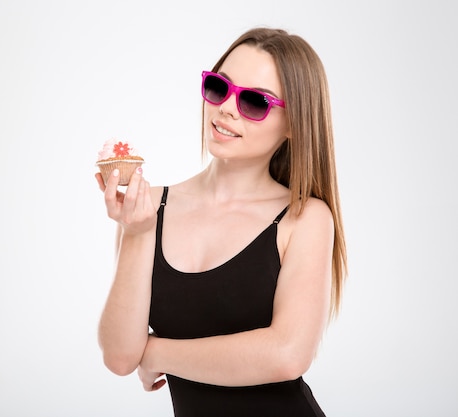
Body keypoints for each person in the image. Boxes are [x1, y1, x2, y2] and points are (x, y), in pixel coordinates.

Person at [95, 27, 347, 417]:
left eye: (254, 102)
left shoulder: (304, 217)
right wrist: (136, 232)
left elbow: (287, 355)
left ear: (295, 124)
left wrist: (157, 351)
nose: (227, 107)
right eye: (219, 87)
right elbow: (119, 356)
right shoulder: (148, 208)